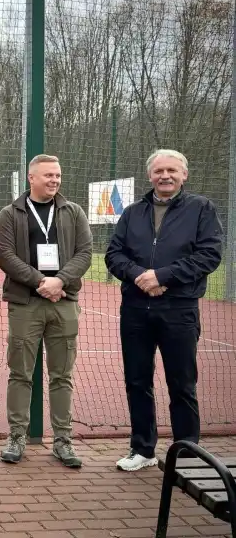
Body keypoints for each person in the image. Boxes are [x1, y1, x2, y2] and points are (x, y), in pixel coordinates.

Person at [106, 149, 222, 472]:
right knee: (137, 381)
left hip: (179, 310)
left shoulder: (202, 209)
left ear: (184, 175)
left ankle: (187, 452)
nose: (165, 176)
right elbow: (114, 255)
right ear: (150, 176)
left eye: (172, 170)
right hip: (135, 311)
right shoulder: (131, 213)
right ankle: (142, 449)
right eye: (159, 171)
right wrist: (140, 278)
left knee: (182, 383)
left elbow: (209, 255)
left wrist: (163, 277)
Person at [0, 154, 92, 468]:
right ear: (31, 178)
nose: (54, 180)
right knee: (20, 373)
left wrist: (61, 280)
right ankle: (16, 437)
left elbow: (85, 252)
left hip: (63, 301)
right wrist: (41, 282)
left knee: (62, 376)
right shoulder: (10, 214)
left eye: (58, 175)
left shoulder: (73, 212)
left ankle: (63, 441)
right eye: (48, 175)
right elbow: (5, 256)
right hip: (26, 303)